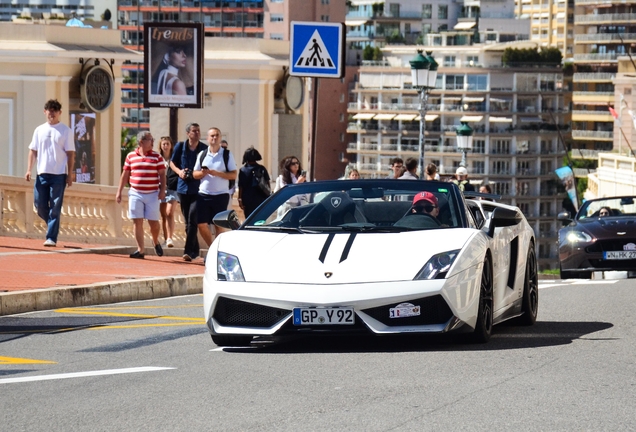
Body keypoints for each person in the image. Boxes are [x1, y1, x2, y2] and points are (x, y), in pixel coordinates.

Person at [25, 99, 76, 247]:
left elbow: (70, 154)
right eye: (49, 110)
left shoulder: (65, 131)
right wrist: (29, 169)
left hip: (58, 175)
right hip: (42, 174)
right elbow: (33, 150)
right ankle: (52, 224)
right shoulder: (39, 130)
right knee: (39, 204)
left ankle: (51, 237)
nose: (51, 113)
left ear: (59, 113)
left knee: (55, 206)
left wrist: (69, 174)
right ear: (45, 111)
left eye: (55, 110)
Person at [116, 131, 166, 259]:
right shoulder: (131, 156)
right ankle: (141, 250)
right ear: (141, 142)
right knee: (137, 221)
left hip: (152, 194)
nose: (153, 142)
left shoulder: (157, 157)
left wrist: (162, 190)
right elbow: (125, 174)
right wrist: (119, 191)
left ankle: (155, 241)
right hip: (135, 193)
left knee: (154, 223)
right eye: (150, 139)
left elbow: (162, 175)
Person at [194, 127, 237, 250]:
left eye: (217, 135)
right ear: (207, 138)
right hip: (203, 194)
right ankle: (212, 248)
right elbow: (194, 174)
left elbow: (233, 174)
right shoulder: (202, 154)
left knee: (218, 224)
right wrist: (203, 173)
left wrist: (216, 173)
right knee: (201, 224)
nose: (214, 138)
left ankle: (217, 250)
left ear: (220, 137)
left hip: (221, 195)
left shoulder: (227, 154)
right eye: (212, 136)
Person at [170, 122, 208, 262]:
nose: (197, 133)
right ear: (188, 133)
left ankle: (187, 251)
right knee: (188, 222)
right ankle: (195, 250)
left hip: (198, 189)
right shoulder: (180, 146)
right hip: (183, 188)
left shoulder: (204, 149)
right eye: (194, 131)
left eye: (198, 131)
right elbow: (172, 163)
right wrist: (180, 172)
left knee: (193, 218)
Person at [238, 147, 271, 218]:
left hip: (247, 199)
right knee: (260, 219)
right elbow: (267, 183)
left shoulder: (243, 170)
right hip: (261, 197)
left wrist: (240, 199)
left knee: (249, 219)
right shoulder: (262, 168)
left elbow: (241, 186)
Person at [159, 136, 178, 248]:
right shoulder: (158, 158)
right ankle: (166, 239)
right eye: (163, 144)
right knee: (163, 215)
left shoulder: (174, 158)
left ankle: (170, 238)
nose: (165, 146)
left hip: (173, 188)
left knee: (169, 212)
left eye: (167, 144)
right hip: (161, 188)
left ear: (171, 146)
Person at [221, 139, 236, 210]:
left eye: (225, 147)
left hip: (228, 191)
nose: (223, 149)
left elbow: (233, 175)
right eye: (222, 147)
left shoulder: (229, 157)